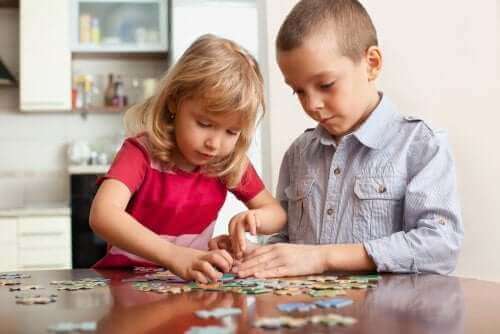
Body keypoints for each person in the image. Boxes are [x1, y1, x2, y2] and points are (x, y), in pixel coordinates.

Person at [211, 0, 463, 277]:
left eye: (325, 85)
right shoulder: (298, 153)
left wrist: (323, 258)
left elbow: (440, 246)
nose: (312, 104)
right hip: (308, 316)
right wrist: (253, 255)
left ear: (372, 64)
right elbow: (286, 243)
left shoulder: (421, 146)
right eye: (299, 91)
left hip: (390, 317)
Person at [89, 34, 287, 283]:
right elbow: (102, 214)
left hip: (188, 284)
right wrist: (174, 256)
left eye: (231, 132)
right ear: (174, 101)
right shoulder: (140, 152)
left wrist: (253, 219)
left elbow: (277, 214)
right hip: (125, 283)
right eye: (204, 123)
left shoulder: (227, 162)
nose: (214, 144)